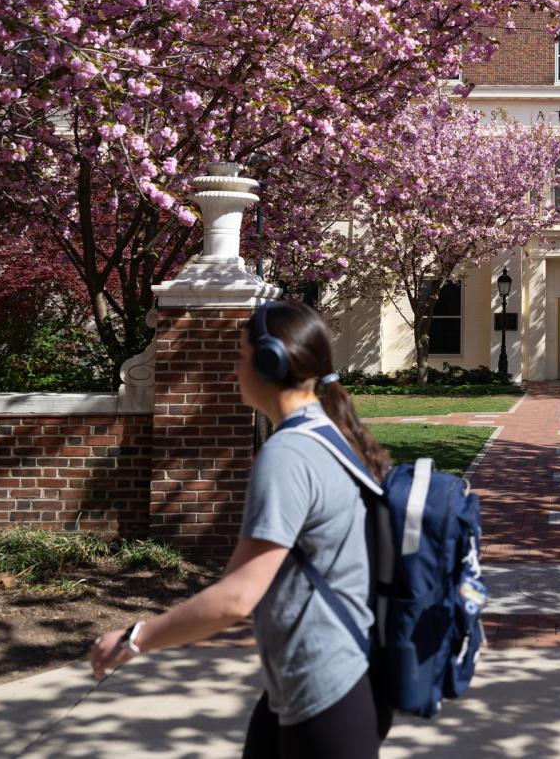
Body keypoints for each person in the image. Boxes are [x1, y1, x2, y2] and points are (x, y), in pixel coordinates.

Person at [88, 300, 393, 757]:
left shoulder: (288, 454)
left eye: (240, 355)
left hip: (325, 689)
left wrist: (134, 639)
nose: (234, 369)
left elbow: (236, 597)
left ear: (270, 361)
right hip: (316, 682)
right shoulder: (329, 434)